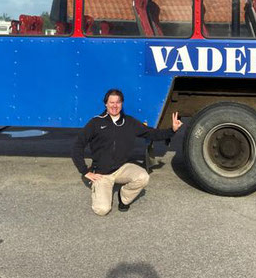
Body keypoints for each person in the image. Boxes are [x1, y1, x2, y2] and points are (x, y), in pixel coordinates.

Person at [71, 88, 183, 216]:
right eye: (111, 102)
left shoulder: (129, 122)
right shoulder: (96, 123)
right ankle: (100, 189)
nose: (114, 106)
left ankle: (123, 197)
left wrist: (172, 130)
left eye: (118, 102)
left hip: (121, 168)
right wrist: (85, 171)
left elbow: (152, 133)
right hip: (102, 174)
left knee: (143, 177)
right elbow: (77, 146)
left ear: (122, 104)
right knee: (102, 210)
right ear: (106, 104)